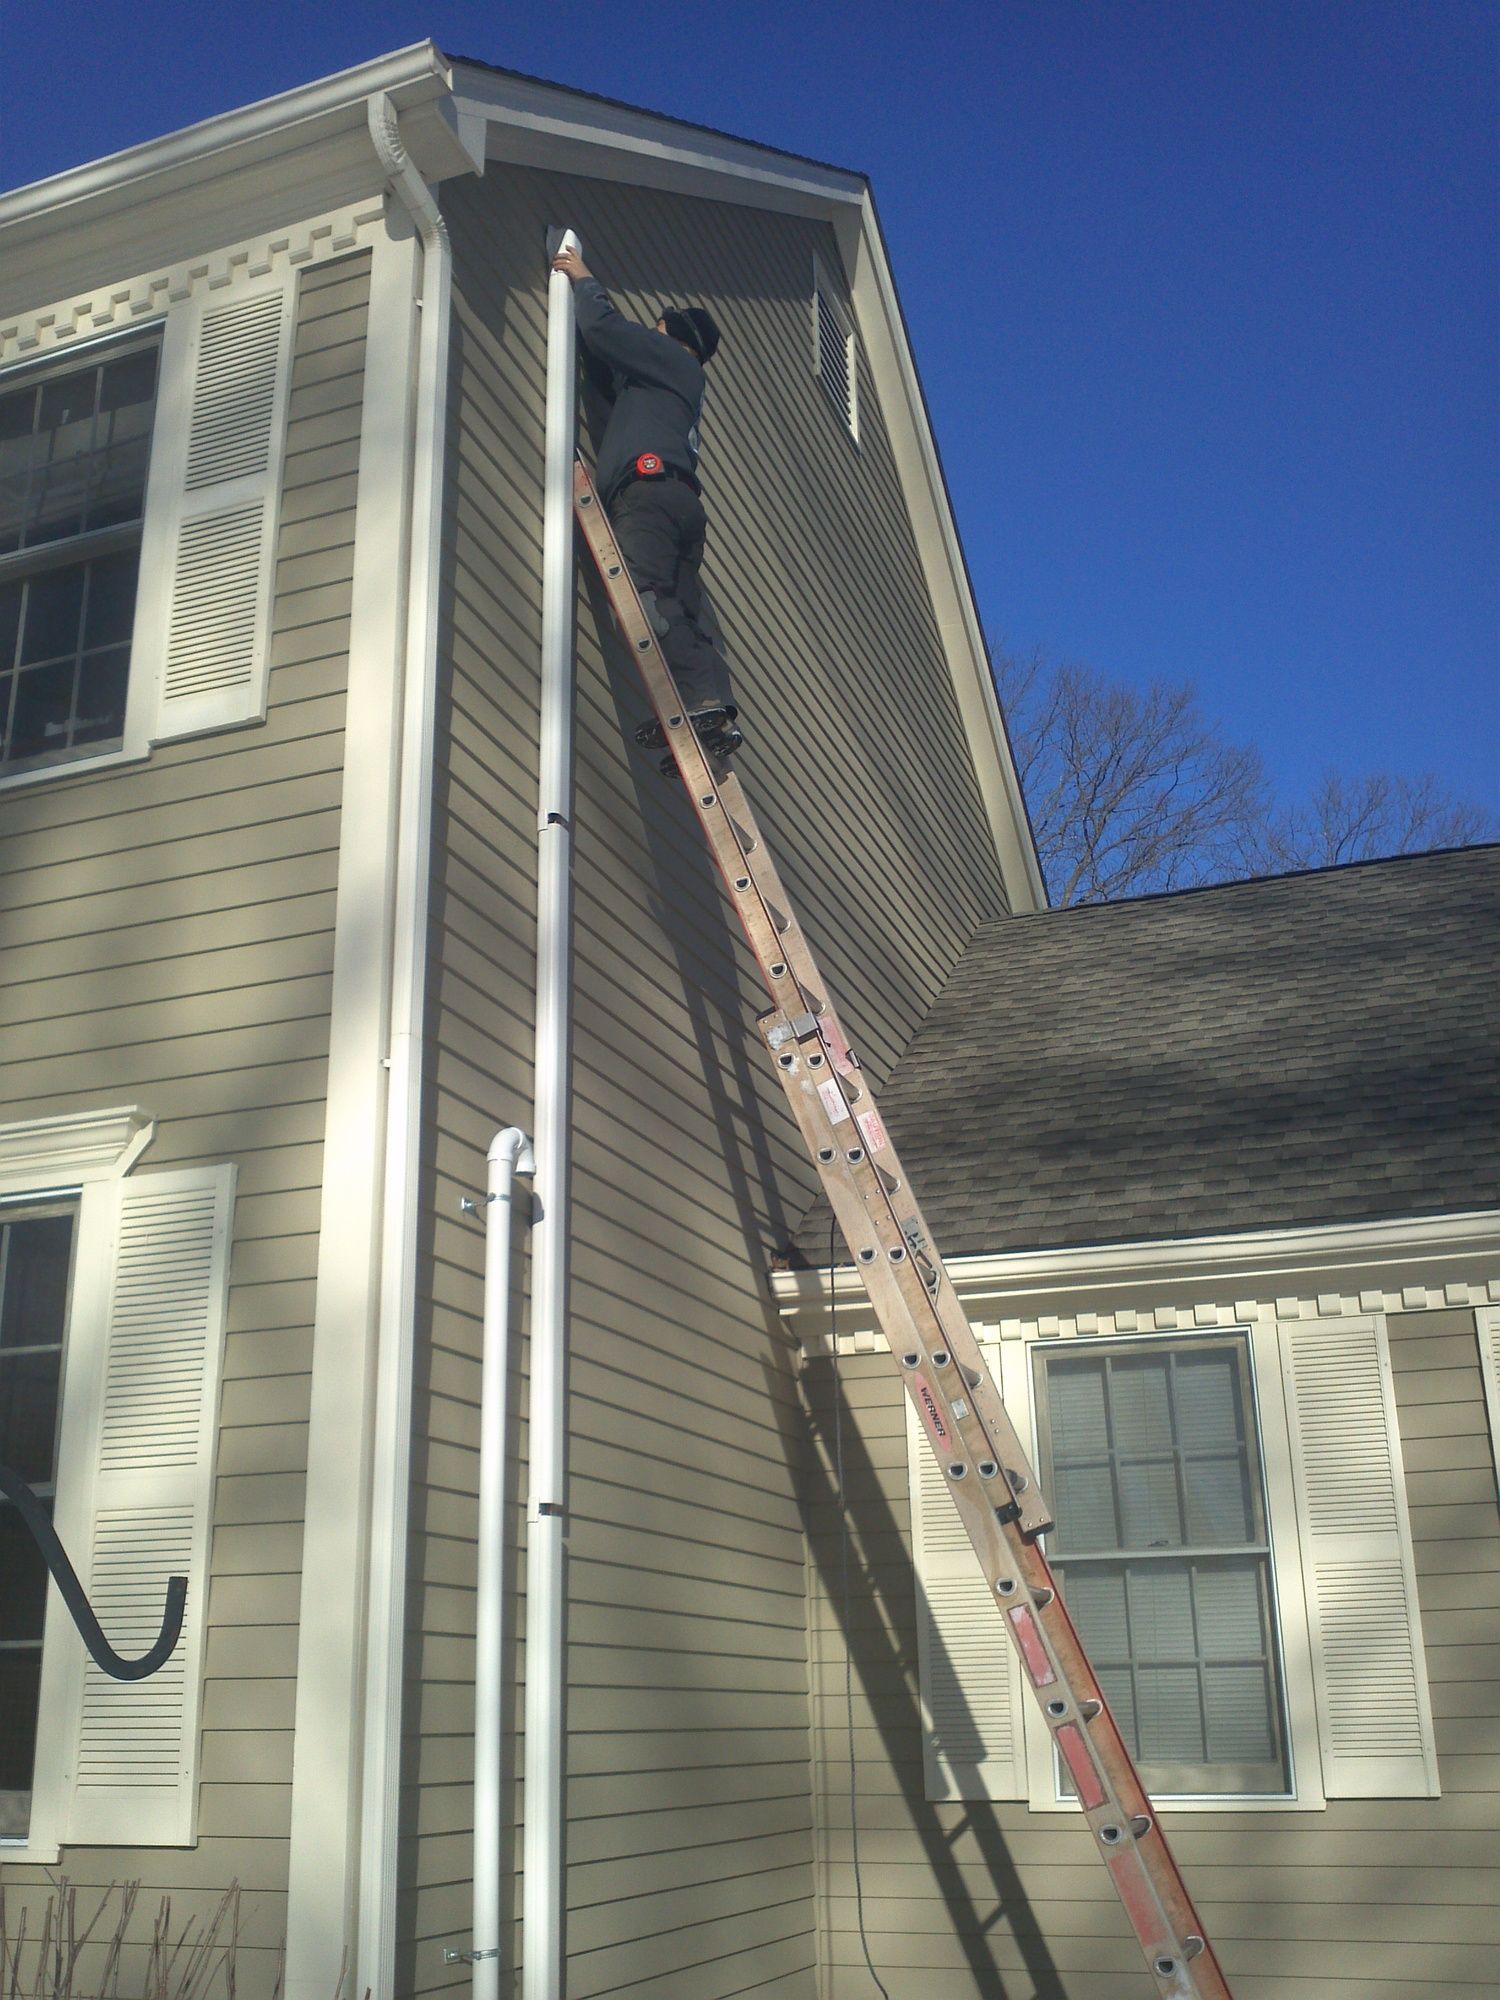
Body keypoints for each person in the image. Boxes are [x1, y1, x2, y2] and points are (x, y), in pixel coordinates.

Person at [549, 244, 739, 761]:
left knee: (646, 598)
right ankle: (708, 709)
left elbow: (606, 332)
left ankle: (697, 702)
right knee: (682, 610)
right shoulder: (670, 385)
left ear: (673, 337)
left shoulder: (673, 357)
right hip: (677, 498)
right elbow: (613, 373)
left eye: (655, 329)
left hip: (649, 495)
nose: (651, 335)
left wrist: (583, 278)